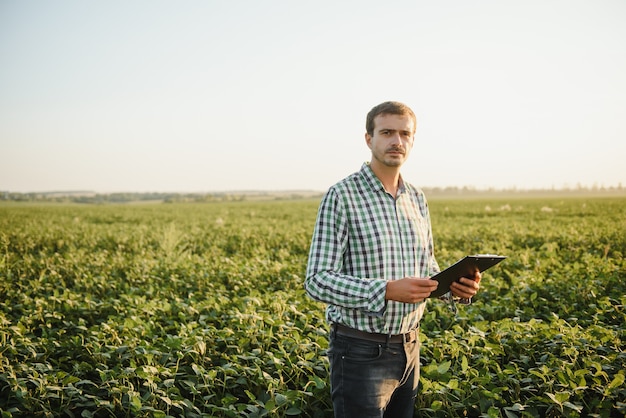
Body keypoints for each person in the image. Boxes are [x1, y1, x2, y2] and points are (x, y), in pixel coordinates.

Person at [305, 101, 481, 418]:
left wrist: (453, 286)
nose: (396, 141)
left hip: (410, 346)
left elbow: (426, 267)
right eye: (386, 132)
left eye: (404, 133)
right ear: (369, 139)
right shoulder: (342, 195)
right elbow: (317, 280)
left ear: (412, 140)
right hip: (359, 350)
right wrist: (385, 290)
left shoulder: (417, 197)